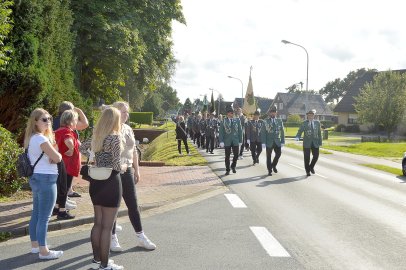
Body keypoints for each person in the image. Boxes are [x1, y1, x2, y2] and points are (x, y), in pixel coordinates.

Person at [109, 101, 157, 253]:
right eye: (123, 112)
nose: (126, 115)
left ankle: (141, 236)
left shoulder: (128, 129)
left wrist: (137, 170)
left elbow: (134, 151)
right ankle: (112, 237)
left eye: (127, 112)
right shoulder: (109, 129)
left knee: (133, 205)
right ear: (116, 112)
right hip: (113, 172)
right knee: (114, 206)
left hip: (127, 170)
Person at [80, 107, 124, 270]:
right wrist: (124, 165)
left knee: (98, 223)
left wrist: (96, 157)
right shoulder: (114, 138)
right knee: (107, 226)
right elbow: (117, 164)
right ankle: (105, 265)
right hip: (111, 182)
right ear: (114, 121)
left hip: (96, 182)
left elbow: (81, 148)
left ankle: (97, 259)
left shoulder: (96, 136)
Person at [25, 108, 64, 260]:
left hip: (36, 177)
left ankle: (36, 246)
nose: (48, 122)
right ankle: (44, 251)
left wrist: (54, 155)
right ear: (35, 121)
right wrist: (57, 154)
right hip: (46, 178)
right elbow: (58, 158)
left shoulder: (32, 138)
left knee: (36, 213)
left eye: (49, 118)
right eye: (44, 119)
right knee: (44, 217)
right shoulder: (41, 139)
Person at [53, 101, 89, 198]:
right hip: (67, 157)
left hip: (57, 155)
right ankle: (62, 202)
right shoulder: (67, 123)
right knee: (65, 179)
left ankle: (61, 197)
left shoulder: (54, 121)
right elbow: (85, 124)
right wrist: (79, 110)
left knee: (60, 179)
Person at [54, 109, 82, 220]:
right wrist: (71, 148)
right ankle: (62, 211)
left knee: (60, 187)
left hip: (61, 164)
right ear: (70, 121)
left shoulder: (59, 130)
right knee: (64, 189)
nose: (76, 122)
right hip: (68, 165)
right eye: (75, 120)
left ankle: (56, 208)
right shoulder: (67, 131)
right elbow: (68, 140)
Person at [295, 109, 322, 177]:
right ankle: (307, 171)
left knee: (316, 156)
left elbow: (319, 133)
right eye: (309, 115)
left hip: (315, 142)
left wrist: (320, 142)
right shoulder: (304, 123)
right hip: (307, 143)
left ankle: (311, 167)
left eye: (311, 115)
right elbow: (300, 130)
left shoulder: (317, 123)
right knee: (307, 158)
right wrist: (298, 136)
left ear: (313, 116)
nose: (310, 116)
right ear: (307, 116)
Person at [261, 106, 285, 176]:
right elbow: (263, 132)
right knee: (268, 156)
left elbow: (282, 131)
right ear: (269, 113)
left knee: (278, 154)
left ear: (276, 113)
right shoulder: (265, 121)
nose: (273, 114)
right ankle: (269, 170)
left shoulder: (279, 120)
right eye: (271, 112)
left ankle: (273, 165)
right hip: (269, 142)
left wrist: (283, 141)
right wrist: (263, 142)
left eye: (274, 112)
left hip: (277, 141)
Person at [219, 107, 242, 175]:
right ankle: (227, 169)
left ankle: (233, 166)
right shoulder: (224, 121)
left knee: (236, 155)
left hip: (235, 140)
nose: (231, 114)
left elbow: (240, 131)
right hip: (227, 141)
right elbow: (221, 132)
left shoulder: (237, 120)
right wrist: (221, 141)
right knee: (227, 156)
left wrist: (240, 140)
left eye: (232, 113)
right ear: (227, 113)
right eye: (230, 113)